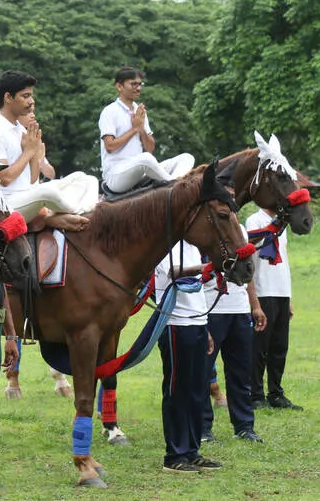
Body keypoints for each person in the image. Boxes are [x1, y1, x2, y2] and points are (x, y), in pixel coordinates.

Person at [0, 70, 98, 231]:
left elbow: (32, 179)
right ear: (8, 98)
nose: (31, 101)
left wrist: (36, 153)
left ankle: (55, 214)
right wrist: (28, 152)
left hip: (29, 196)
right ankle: (72, 214)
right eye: (25, 96)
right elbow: (5, 178)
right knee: (47, 191)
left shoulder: (19, 130)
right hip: (6, 206)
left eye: (31, 96)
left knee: (85, 179)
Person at [155, 240, 223, 473]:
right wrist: (205, 267)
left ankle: (192, 451)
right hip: (175, 323)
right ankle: (174, 456)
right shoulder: (166, 243)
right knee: (177, 390)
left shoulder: (195, 247)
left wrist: (206, 327)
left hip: (197, 323)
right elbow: (174, 273)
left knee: (197, 390)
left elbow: (199, 291)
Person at [201, 215, 265, 443]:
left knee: (240, 372)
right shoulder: (200, 230)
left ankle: (244, 426)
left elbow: (248, 273)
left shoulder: (239, 230)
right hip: (210, 309)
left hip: (239, 310)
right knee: (202, 372)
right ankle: (202, 428)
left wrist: (255, 305)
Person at [98, 66, 194, 194]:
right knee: (146, 159)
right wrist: (134, 129)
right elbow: (109, 146)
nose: (138, 88)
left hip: (140, 171)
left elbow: (150, 147)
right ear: (119, 86)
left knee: (186, 158)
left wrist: (141, 129)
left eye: (139, 84)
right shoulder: (110, 111)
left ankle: (172, 181)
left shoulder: (140, 112)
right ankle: (175, 185)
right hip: (116, 176)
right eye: (133, 84)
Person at [245, 207, 302, 410]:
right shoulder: (255, 221)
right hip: (262, 291)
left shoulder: (282, 225)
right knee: (260, 347)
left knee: (279, 347)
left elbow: (283, 263)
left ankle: (276, 393)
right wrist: (254, 303)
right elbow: (249, 262)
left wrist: (289, 297)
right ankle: (256, 394)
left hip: (281, 292)